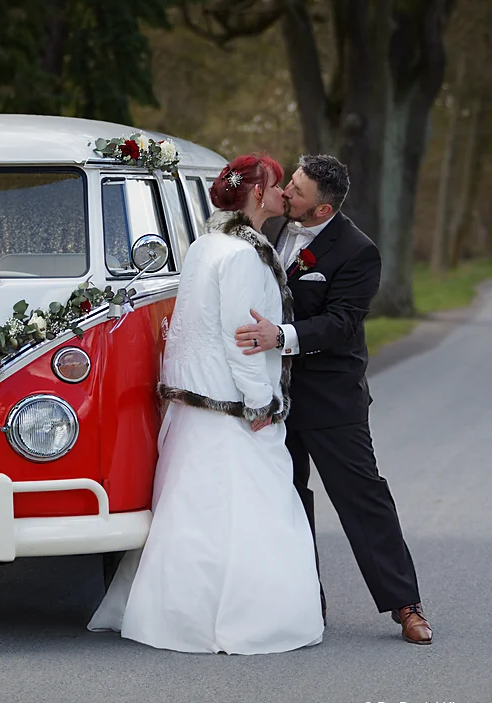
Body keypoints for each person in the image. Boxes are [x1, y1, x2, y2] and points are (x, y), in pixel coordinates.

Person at [88, 154, 324, 654]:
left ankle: (174, 613)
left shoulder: (204, 245)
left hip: (193, 404)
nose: (284, 194)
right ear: (259, 195)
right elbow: (242, 338)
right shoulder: (241, 256)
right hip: (229, 404)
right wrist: (262, 402)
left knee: (192, 511)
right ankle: (244, 619)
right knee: (245, 509)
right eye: (279, 186)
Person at [233, 154, 432, 645]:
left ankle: (406, 604)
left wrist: (278, 336)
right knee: (288, 499)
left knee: (362, 497)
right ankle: (305, 604)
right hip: (273, 396)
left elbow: (342, 324)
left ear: (322, 211)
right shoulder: (271, 229)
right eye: (291, 184)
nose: (286, 194)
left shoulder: (359, 252)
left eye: (296, 192)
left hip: (331, 397)